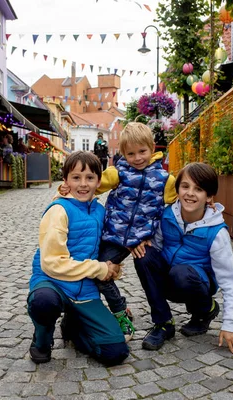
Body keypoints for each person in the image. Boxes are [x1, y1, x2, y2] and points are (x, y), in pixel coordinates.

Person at [61, 122, 177, 342]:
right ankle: (77, 314)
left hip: (137, 242)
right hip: (110, 233)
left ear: (152, 148)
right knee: (87, 267)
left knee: (105, 271)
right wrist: (67, 188)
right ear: (123, 153)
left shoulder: (165, 180)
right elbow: (91, 185)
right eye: (131, 153)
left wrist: (154, 236)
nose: (138, 158)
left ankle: (133, 314)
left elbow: (175, 208)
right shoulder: (118, 173)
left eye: (142, 151)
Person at [27, 151, 129, 366]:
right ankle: (42, 339)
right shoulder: (58, 210)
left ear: (98, 182)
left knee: (115, 352)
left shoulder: (100, 211)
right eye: (76, 177)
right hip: (52, 282)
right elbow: (52, 263)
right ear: (65, 180)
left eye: (90, 178)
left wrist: (114, 266)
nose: (83, 184)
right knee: (43, 301)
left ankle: (73, 326)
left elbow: (110, 244)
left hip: (85, 289)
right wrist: (100, 269)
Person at [133, 162, 233, 355]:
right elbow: (157, 246)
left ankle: (206, 309)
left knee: (182, 273)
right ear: (177, 189)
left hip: (195, 281)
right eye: (185, 186)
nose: (190, 193)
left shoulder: (216, 232)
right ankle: (164, 323)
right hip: (171, 277)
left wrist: (230, 325)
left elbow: (230, 281)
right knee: (143, 255)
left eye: (198, 189)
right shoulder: (167, 216)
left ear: (209, 197)